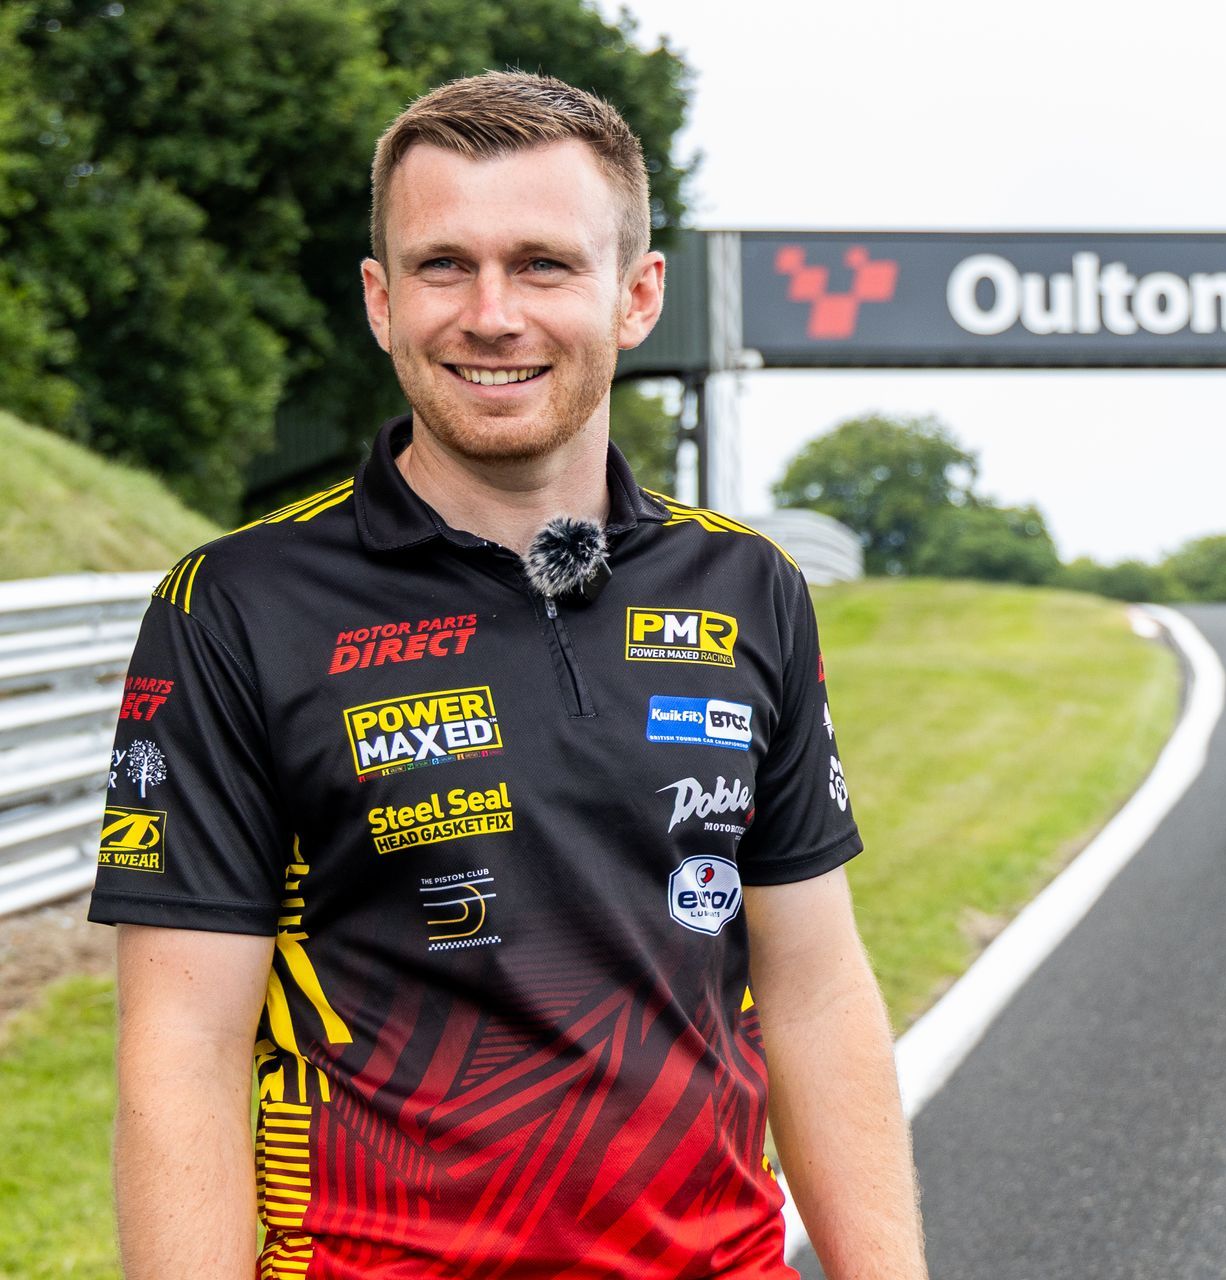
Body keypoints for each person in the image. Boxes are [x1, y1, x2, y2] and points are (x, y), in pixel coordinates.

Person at [89, 72, 926, 1279]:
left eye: (543, 264)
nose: (491, 314)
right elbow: (181, 1046)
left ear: (636, 296)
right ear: (380, 300)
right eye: (443, 265)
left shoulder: (750, 588)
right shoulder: (236, 605)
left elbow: (813, 992)